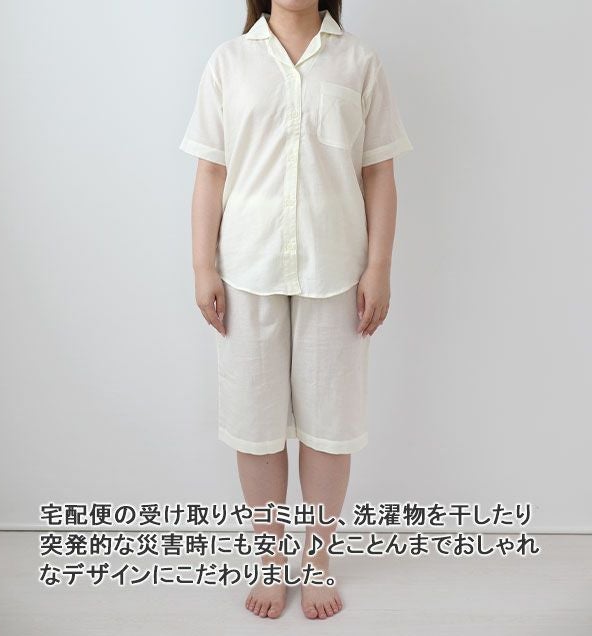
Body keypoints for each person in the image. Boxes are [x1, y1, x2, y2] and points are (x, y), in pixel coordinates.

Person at [179, 0, 412, 621]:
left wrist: (379, 267)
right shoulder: (229, 62)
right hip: (246, 269)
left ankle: (317, 559)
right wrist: (203, 266)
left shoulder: (358, 61)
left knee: (329, 425)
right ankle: (269, 556)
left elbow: (379, 172)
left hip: (336, 270)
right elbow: (210, 172)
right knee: (255, 425)